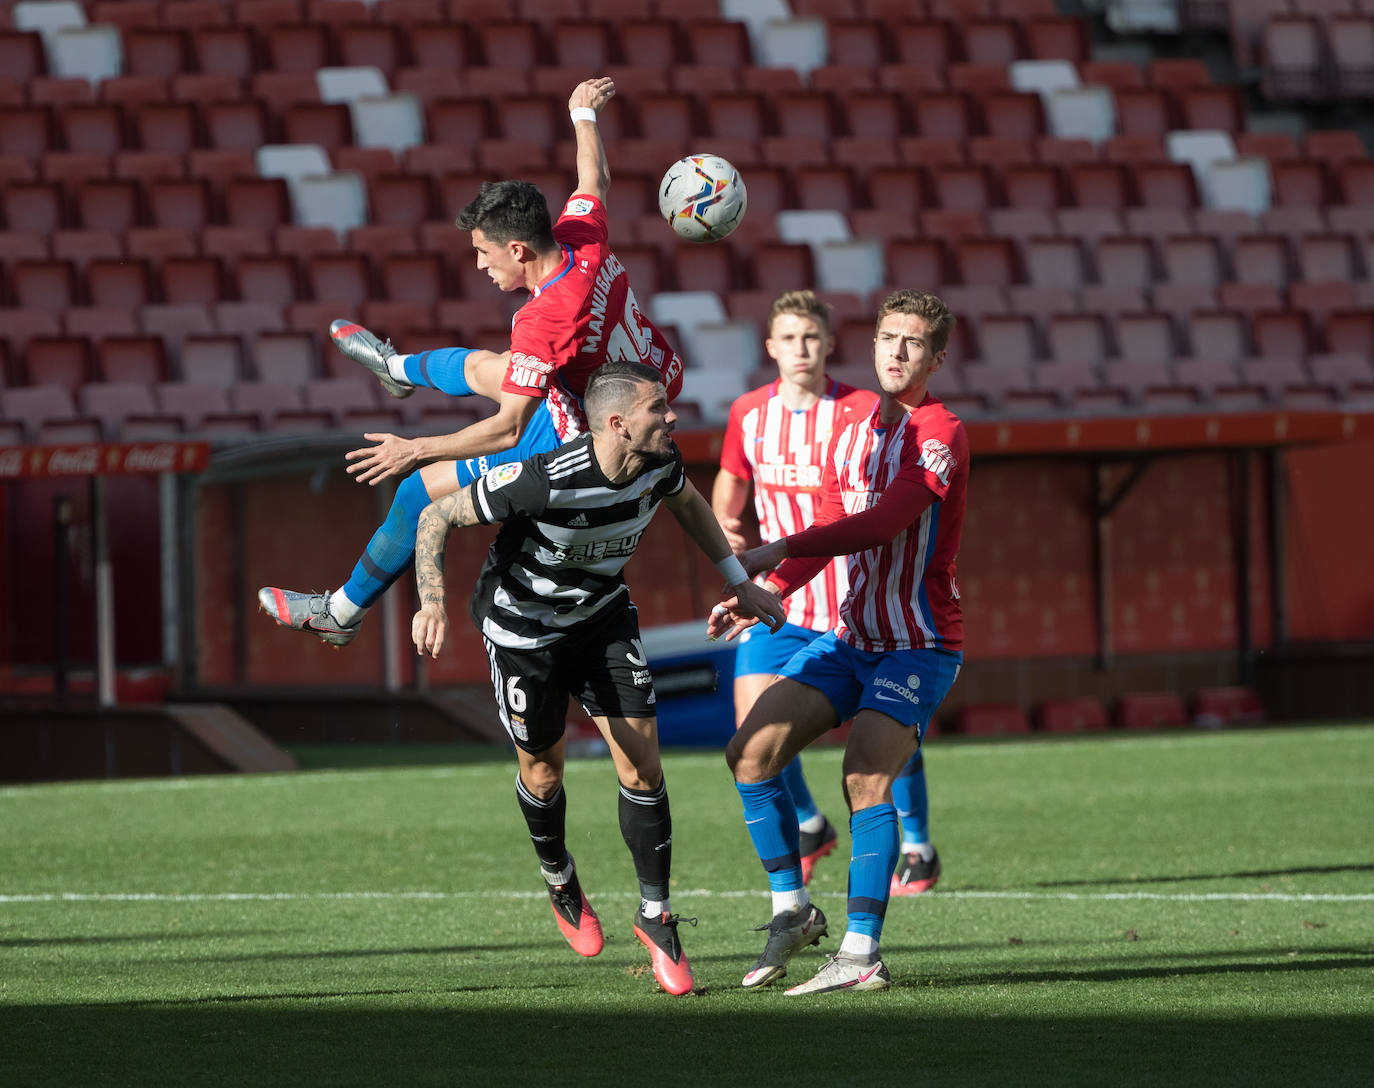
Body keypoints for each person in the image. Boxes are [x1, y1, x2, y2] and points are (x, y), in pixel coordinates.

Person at [259, 76, 685, 646]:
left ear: (517, 249)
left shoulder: (543, 319)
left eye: (483, 252)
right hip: (651, 379)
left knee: (416, 492)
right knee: (491, 366)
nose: (480, 265)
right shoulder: (582, 236)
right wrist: (582, 114)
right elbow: (595, 179)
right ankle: (396, 368)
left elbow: (508, 429)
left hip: (587, 434)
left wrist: (416, 449)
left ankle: (340, 613)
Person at [410, 360, 786, 996]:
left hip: (602, 622)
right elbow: (435, 515)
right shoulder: (545, 479)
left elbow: (689, 504)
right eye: (657, 408)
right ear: (617, 424)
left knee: (643, 765)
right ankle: (559, 875)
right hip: (524, 635)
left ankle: (656, 915)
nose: (672, 416)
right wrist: (432, 601)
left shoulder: (660, 463)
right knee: (543, 773)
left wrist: (738, 580)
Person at [708, 289, 967, 995]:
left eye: (914, 342)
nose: (897, 351)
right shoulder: (850, 426)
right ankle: (792, 910)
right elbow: (828, 526)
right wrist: (767, 591)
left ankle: (860, 954)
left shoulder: (940, 432)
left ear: (936, 359)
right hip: (852, 639)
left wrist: (774, 548)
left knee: (864, 776)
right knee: (749, 754)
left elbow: (883, 524)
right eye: (888, 337)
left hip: (918, 644)